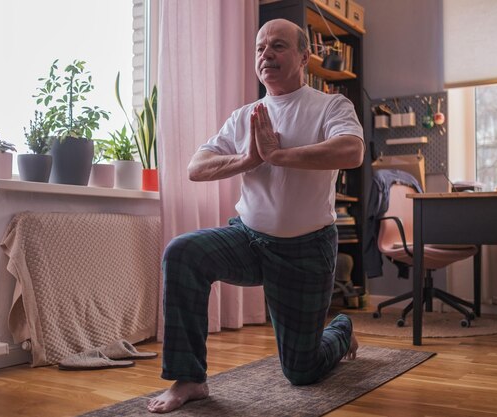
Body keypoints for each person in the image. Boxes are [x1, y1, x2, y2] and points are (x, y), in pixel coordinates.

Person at [148, 18, 365, 414]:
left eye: (278, 46)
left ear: (304, 55)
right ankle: (189, 378)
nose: (267, 54)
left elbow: (351, 151)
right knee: (183, 253)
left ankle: (340, 330)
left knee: (302, 371)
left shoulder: (331, 105)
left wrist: (279, 156)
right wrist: (248, 158)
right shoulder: (245, 115)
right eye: (260, 48)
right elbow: (196, 167)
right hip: (248, 239)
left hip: (307, 249)